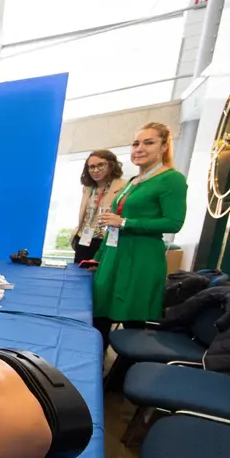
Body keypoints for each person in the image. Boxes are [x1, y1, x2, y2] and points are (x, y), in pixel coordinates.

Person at [93, 122, 187, 348]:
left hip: (141, 259)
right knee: (99, 316)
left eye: (149, 143)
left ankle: (128, 367)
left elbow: (174, 222)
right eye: (136, 144)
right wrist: (98, 258)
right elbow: (114, 223)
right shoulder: (133, 182)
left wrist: (126, 222)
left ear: (164, 146)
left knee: (133, 321)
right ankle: (95, 361)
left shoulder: (171, 179)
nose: (139, 149)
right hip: (115, 256)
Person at [73, 150, 126, 264]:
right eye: (92, 167)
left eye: (101, 165)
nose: (96, 170)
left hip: (107, 240)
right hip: (84, 238)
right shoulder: (88, 188)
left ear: (111, 165)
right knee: (78, 273)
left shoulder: (124, 187)